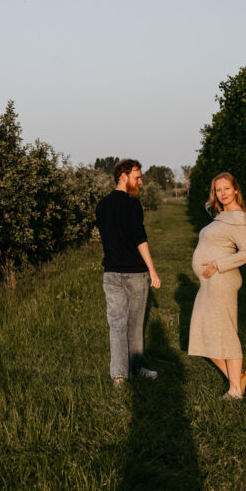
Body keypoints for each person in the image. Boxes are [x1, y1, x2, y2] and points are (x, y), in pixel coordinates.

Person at [188, 172, 246, 399]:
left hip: (222, 282)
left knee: (225, 334)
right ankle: (237, 378)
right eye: (218, 190)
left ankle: (235, 390)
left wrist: (217, 264)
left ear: (236, 189)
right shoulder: (222, 215)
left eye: (227, 188)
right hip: (210, 283)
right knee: (202, 332)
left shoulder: (237, 217)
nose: (223, 193)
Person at [95, 159, 162, 386]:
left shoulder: (101, 204)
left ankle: (119, 376)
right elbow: (139, 239)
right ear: (123, 175)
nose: (140, 181)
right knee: (133, 324)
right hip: (134, 274)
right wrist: (153, 271)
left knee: (117, 324)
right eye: (137, 176)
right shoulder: (133, 204)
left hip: (110, 273)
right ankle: (135, 368)